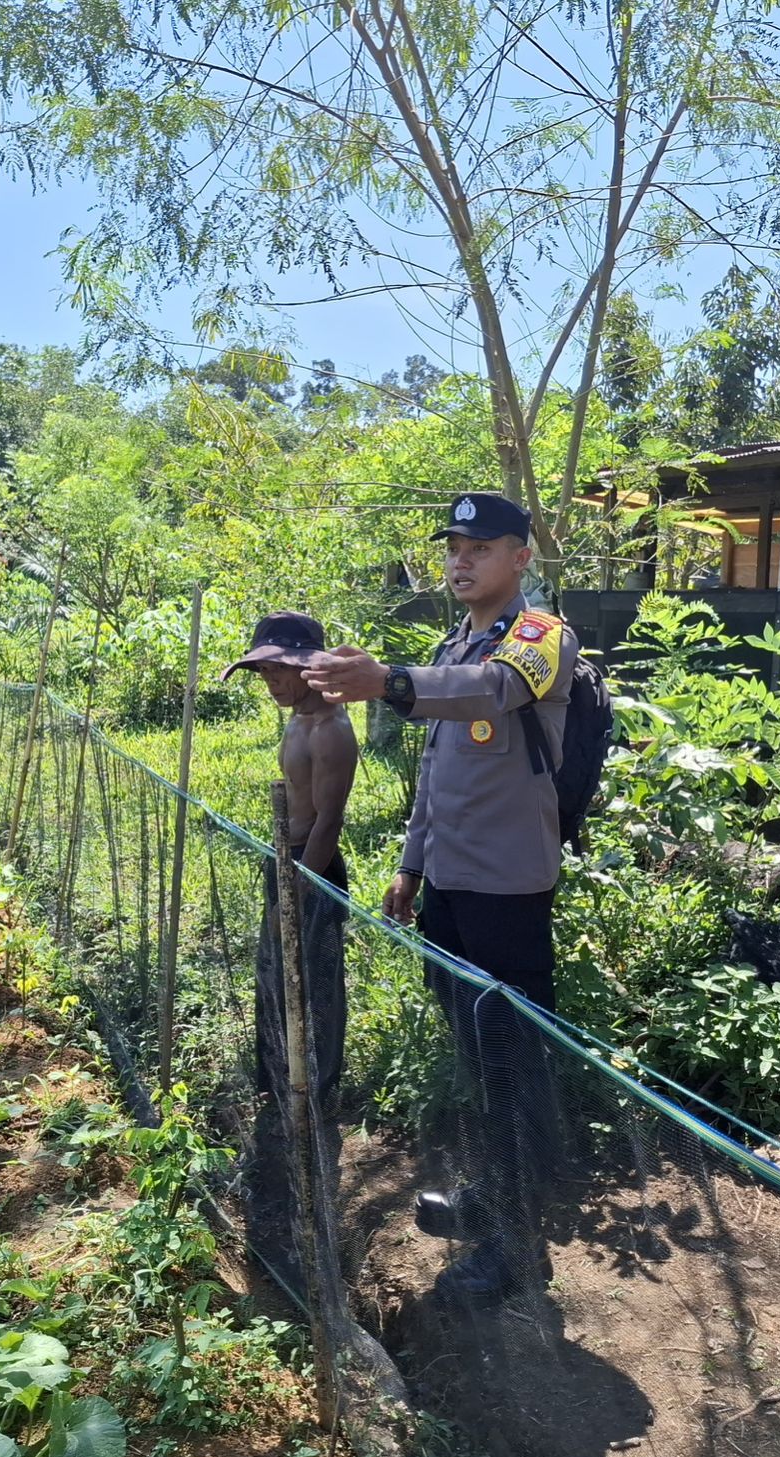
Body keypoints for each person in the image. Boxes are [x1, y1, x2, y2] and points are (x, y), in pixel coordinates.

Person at [302, 492, 577, 1302]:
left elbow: (492, 693)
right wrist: (411, 865)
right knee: (476, 1055)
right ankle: (493, 1201)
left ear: (521, 557)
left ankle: (519, 1249)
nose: (460, 560)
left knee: (511, 1065)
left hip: (507, 891)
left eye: (481, 547)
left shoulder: (542, 638)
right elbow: (435, 772)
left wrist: (386, 680)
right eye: (453, 546)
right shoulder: (455, 641)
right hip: (451, 888)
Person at [223, 611, 358, 1286]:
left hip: (313, 867)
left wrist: (302, 889)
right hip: (286, 860)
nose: (272, 680)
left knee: (316, 982)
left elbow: (330, 817)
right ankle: (280, 1076)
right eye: (265, 670)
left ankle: (319, 1092)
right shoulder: (296, 720)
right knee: (274, 977)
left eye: (281, 668)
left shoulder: (332, 729)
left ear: (310, 665)